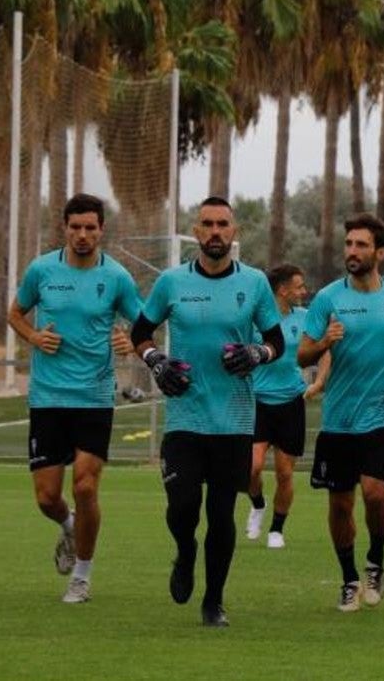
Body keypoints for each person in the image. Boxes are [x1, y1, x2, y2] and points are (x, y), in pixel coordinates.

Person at [130, 196, 285, 627]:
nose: (215, 231)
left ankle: (214, 600)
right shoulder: (171, 283)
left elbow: (278, 342)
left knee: (221, 514)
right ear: (195, 232)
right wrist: (156, 361)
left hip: (234, 421)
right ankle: (184, 551)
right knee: (182, 508)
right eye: (207, 224)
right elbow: (140, 332)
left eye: (223, 224)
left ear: (234, 233)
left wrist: (258, 352)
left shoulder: (254, 284)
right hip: (184, 418)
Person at [6, 193, 141, 603]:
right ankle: (68, 526)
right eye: (75, 227)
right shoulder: (42, 270)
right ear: (64, 228)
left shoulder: (116, 277)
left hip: (95, 396)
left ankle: (81, 576)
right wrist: (32, 336)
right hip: (48, 397)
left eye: (90, 228)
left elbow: (144, 322)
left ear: (101, 230)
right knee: (47, 496)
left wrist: (129, 342)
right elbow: (14, 313)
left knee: (85, 486)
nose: (82, 235)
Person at [298, 215, 384, 613]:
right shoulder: (328, 299)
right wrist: (323, 344)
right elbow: (301, 354)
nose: (352, 251)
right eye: (349, 243)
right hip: (339, 417)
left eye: (361, 245)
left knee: (375, 492)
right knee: (340, 505)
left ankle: (376, 562)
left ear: (380, 253)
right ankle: (350, 578)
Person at [245, 264, 330, 548]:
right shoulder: (255, 321)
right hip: (257, 402)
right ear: (282, 290)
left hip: (291, 404)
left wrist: (318, 383)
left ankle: (276, 530)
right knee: (252, 468)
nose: (304, 291)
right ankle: (257, 504)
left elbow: (324, 350)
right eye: (299, 286)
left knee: (284, 473)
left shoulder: (306, 319)